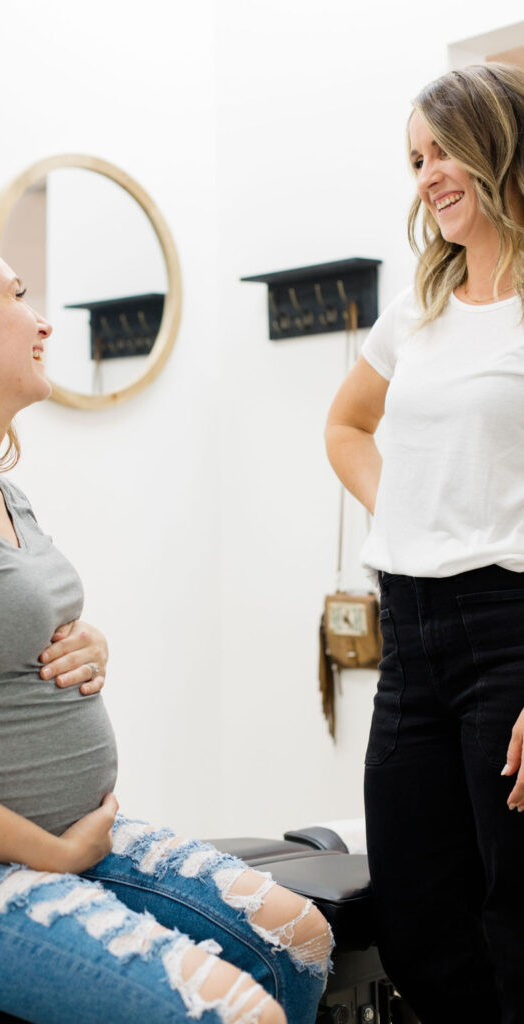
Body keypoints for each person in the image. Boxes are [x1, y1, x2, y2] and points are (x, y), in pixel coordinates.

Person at [0, 224, 332, 1024]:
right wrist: (53, 855)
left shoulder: (1, 490)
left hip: (65, 832)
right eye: (17, 298)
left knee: (297, 939)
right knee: (240, 1015)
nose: (43, 322)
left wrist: (86, 644)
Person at [325, 62, 524, 1024]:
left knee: (515, 914)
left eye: (439, 149)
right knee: (413, 909)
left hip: (509, 630)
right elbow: (344, 427)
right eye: (413, 159)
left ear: (496, 144)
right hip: (409, 635)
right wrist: (396, 509)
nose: (426, 175)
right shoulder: (420, 307)